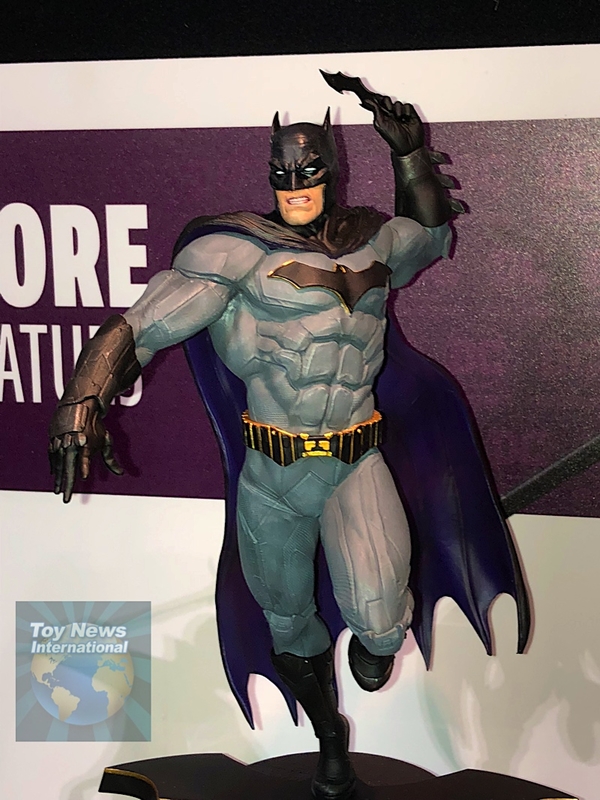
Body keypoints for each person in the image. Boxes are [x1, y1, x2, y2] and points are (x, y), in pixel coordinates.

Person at [49, 92, 529, 800]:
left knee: (382, 625)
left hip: (355, 461)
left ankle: (372, 652)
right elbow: (143, 324)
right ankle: (329, 736)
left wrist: (409, 156)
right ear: (270, 175)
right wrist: (81, 399)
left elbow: (430, 234)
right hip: (272, 476)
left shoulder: (373, 242)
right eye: (284, 174)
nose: (296, 185)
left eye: (309, 171)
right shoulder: (234, 253)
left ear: (332, 170)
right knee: (287, 622)